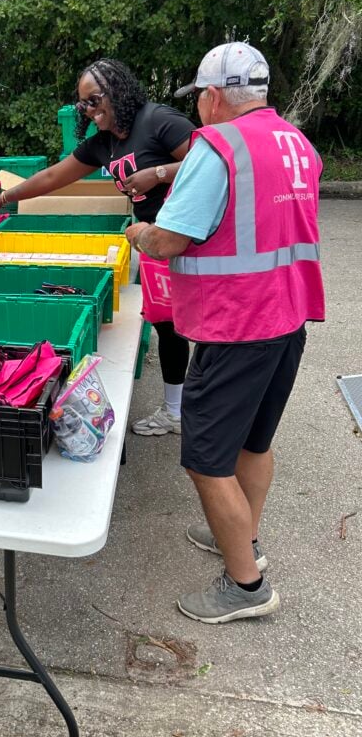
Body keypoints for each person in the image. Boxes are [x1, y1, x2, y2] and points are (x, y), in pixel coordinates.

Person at [124, 41, 325, 623]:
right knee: (252, 444)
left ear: (213, 97)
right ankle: (242, 537)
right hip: (287, 318)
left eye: (200, 98)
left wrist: (141, 235)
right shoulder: (295, 142)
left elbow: (172, 237)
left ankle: (245, 585)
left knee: (206, 458)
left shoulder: (218, 147)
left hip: (235, 323)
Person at [0, 59, 194, 434]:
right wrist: (6, 198)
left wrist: (157, 173)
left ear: (118, 91)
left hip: (188, 241)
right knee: (168, 326)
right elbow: (54, 176)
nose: (89, 109)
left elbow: (212, 160)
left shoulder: (158, 120)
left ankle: (204, 406)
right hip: (153, 243)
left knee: (197, 325)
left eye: (94, 99)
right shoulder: (106, 143)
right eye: (83, 104)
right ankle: (175, 411)